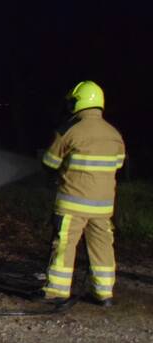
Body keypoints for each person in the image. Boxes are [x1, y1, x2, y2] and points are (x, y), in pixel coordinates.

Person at [39, 81, 125, 306]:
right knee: (103, 248)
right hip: (103, 207)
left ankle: (57, 291)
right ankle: (104, 294)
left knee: (64, 246)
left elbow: (50, 161)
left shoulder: (70, 130)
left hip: (72, 205)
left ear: (78, 102)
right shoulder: (114, 134)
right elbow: (118, 164)